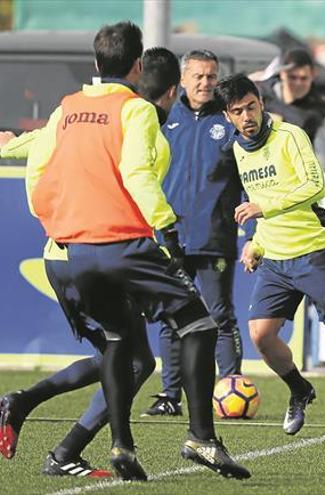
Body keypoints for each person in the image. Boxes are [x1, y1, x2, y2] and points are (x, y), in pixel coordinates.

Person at [24, 22, 249, 480]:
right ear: (136, 66)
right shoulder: (135, 110)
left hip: (72, 248)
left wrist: (54, 221)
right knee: (200, 325)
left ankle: (118, 445)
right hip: (121, 243)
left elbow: (37, 169)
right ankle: (201, 439)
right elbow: (138, 175)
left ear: (94, 63)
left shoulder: (66, 108)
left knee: (120, 347)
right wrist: (166, 234)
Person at [0, 47, 179, 478]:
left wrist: (11, 141)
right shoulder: (143, 127)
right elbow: (137, 185)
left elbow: (36, 143)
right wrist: (168, 241)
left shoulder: (77, 116)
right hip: (102, 253)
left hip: (61, 253)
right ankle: (63, 450)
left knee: (122, 356)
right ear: (172, 93)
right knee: (132, 361)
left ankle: (22, 405)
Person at [214, 73, 325, 440]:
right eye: (237, 111)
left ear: (261, 104)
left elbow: (314, 186)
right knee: (261, 336)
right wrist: (256, 243)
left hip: (313, 253)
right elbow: (258, 198)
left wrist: (265, 208)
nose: (246, 116)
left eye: (250, 107)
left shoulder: (290, 136)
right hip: (275, 259)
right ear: (228, 116)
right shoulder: (236, 149)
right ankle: (299, 389)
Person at [142, 48, 246, 418]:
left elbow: (247, 176)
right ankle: (170, 395)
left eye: (211, 76)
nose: (205, 83)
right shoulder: (162, 117)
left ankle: (231, 387)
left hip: (214, 236)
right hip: (171, 236)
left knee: (220, 315)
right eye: (198, 76)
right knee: (172, 317)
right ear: (182, 80)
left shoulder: (229, 119)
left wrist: (251, 227)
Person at [254, 47, 325, 143]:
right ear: (282, 74)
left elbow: (301, 124)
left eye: (303, 78)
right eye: (292, 77)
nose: (298, 83)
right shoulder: (259, 91)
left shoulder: (318, 104)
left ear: (313, 75)